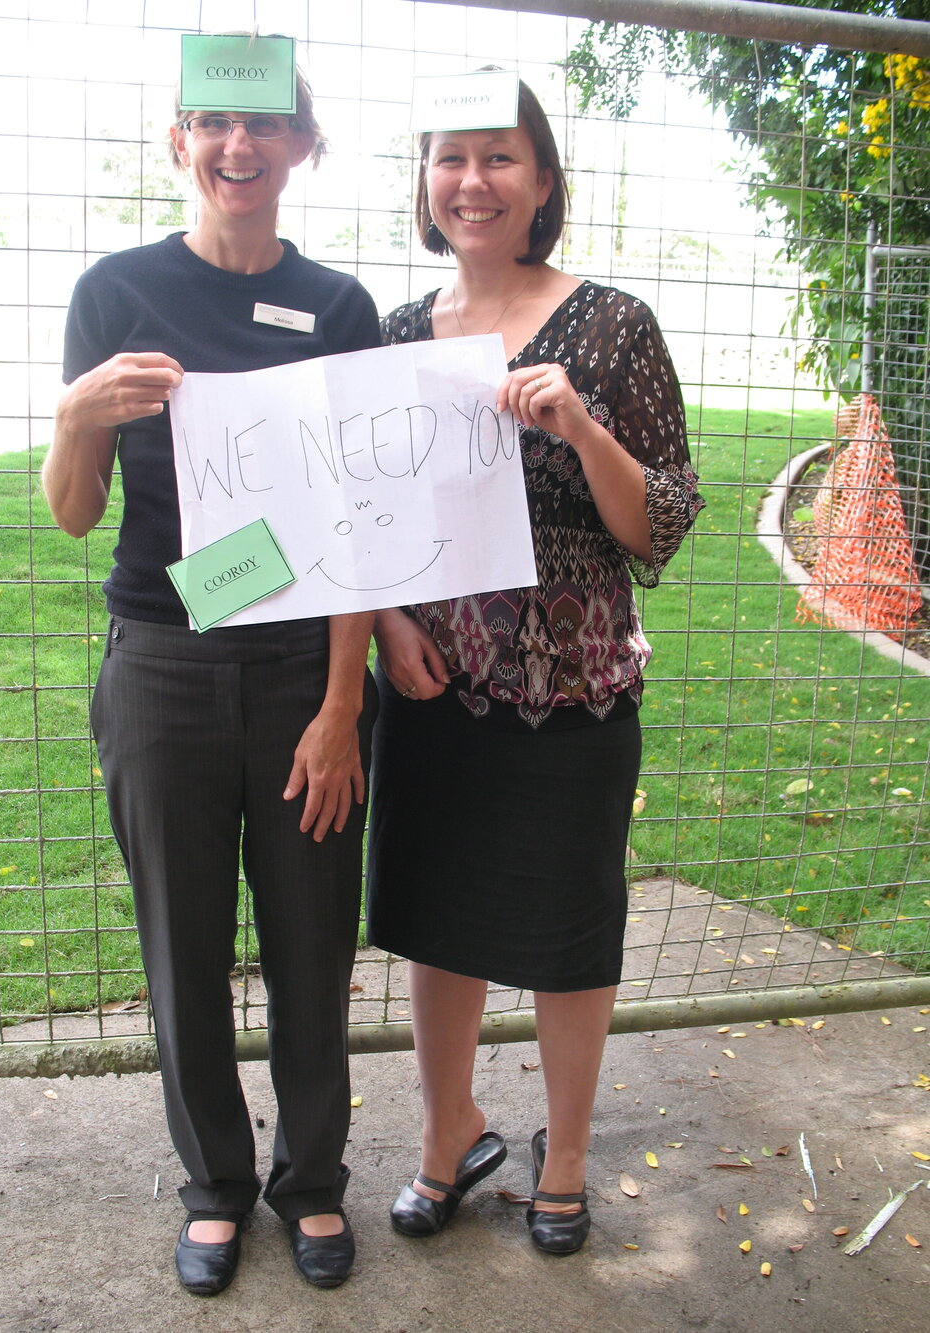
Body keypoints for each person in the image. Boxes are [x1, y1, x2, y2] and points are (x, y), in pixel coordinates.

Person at [42, 52, 379, 1294]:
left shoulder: (338, 306)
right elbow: (76, 517)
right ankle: (215, 1185)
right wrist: (80, 418)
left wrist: (345, 706)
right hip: (164, 667)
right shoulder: (115, 291)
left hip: (303, 673)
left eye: (266, 125)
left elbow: (356, 529)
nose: (240, 146)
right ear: (179, 136)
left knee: (309, 943)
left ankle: (311, 1181)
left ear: (302, 145)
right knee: (181, 948)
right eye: (216, 122)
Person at [366, 74, 703, 1255]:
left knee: (569, 930)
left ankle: (562, 1157)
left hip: (575, 691)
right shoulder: (400, 336)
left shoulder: (610, 325)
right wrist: (389, 622)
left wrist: (578, 423)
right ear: (424, 181)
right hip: (433, 686)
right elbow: (367, 518)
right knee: (435, 921)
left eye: (500, 157)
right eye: (449, 157)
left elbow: (658, 521)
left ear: (544, 179)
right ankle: (445, 1136)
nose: (472, 181)